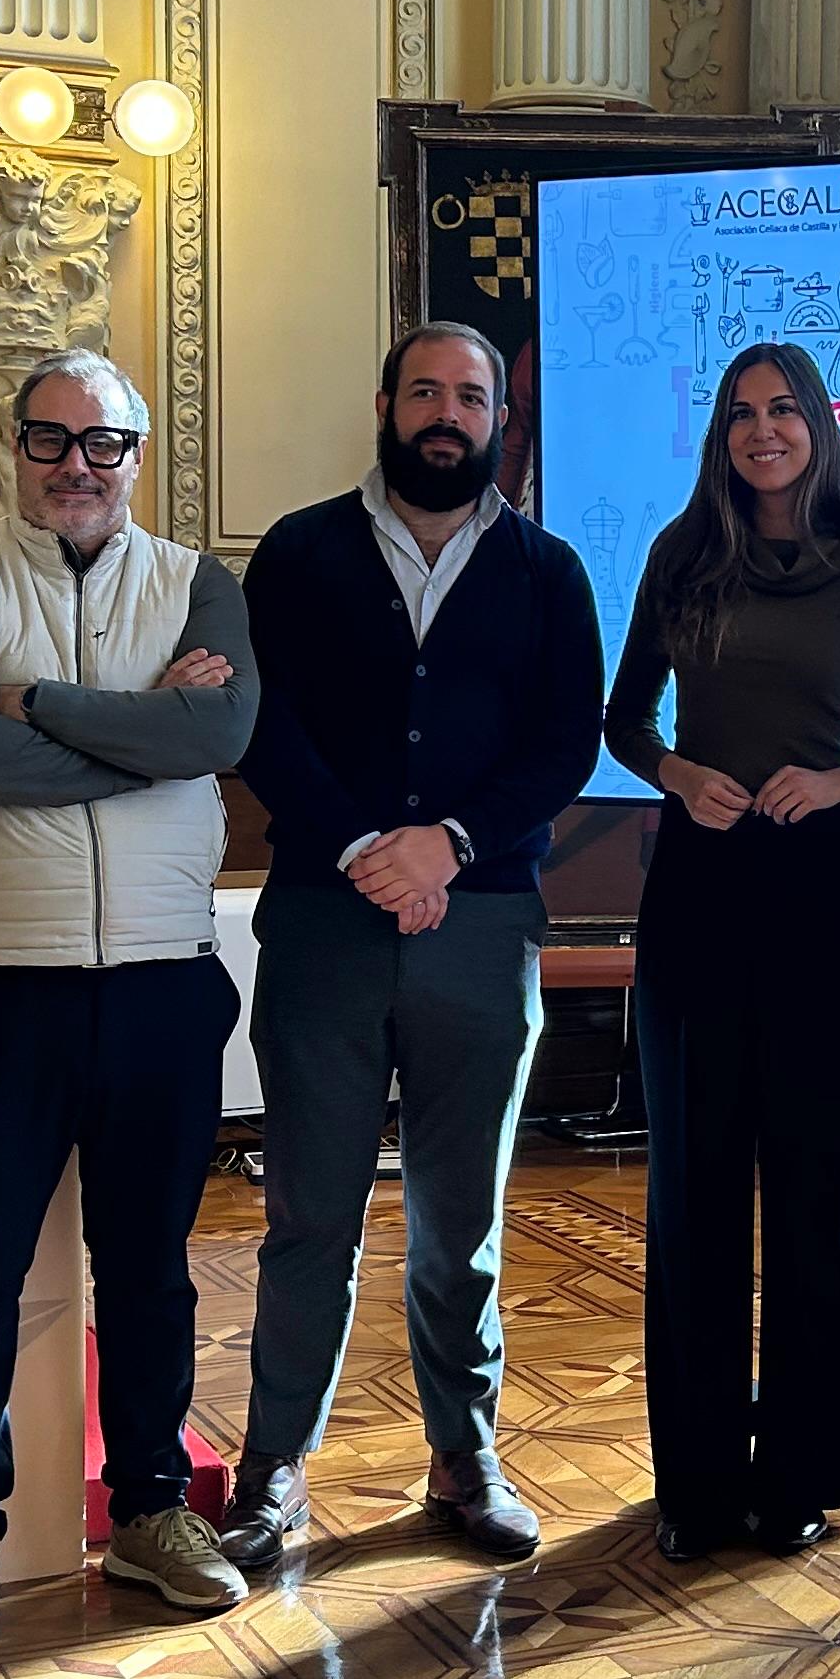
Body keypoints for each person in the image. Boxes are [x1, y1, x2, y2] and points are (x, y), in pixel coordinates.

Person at [0, 350, 259, 1656]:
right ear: (14, 447)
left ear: (138, 455)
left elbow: (215, 743)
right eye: (51, 441)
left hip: (162, 977)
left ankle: (154, 1506)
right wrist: (135, 735)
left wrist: (40, 703)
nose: (76, 469)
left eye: (104, 446)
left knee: (153, 1272)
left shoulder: (197, 582)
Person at [221, 322, 606, 1572]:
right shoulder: (296, 552)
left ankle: (463, 1453)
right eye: (426, 391)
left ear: (502, 418)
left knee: (465, 1220)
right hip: (327, 921)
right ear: (383, 403)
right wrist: (360, 850)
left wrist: (447, 842)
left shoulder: (549, 573)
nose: (448, 414)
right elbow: (259, 724)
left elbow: (566, 744)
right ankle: (277, 1464)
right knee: (307, 1213)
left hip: (482, 922)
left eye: (472, 396)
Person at [603, 340, 840, 1559]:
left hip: (816, 883)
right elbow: (622, 718)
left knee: (813, 1182)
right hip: (700, 877)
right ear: (721, 436)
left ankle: (799, 1466)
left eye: (783, 410)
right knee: (695, 1181)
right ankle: (693, 1478)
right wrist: (678, 771)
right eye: (741, 414)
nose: (762, 431)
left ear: (820, 427)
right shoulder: (680, 557)